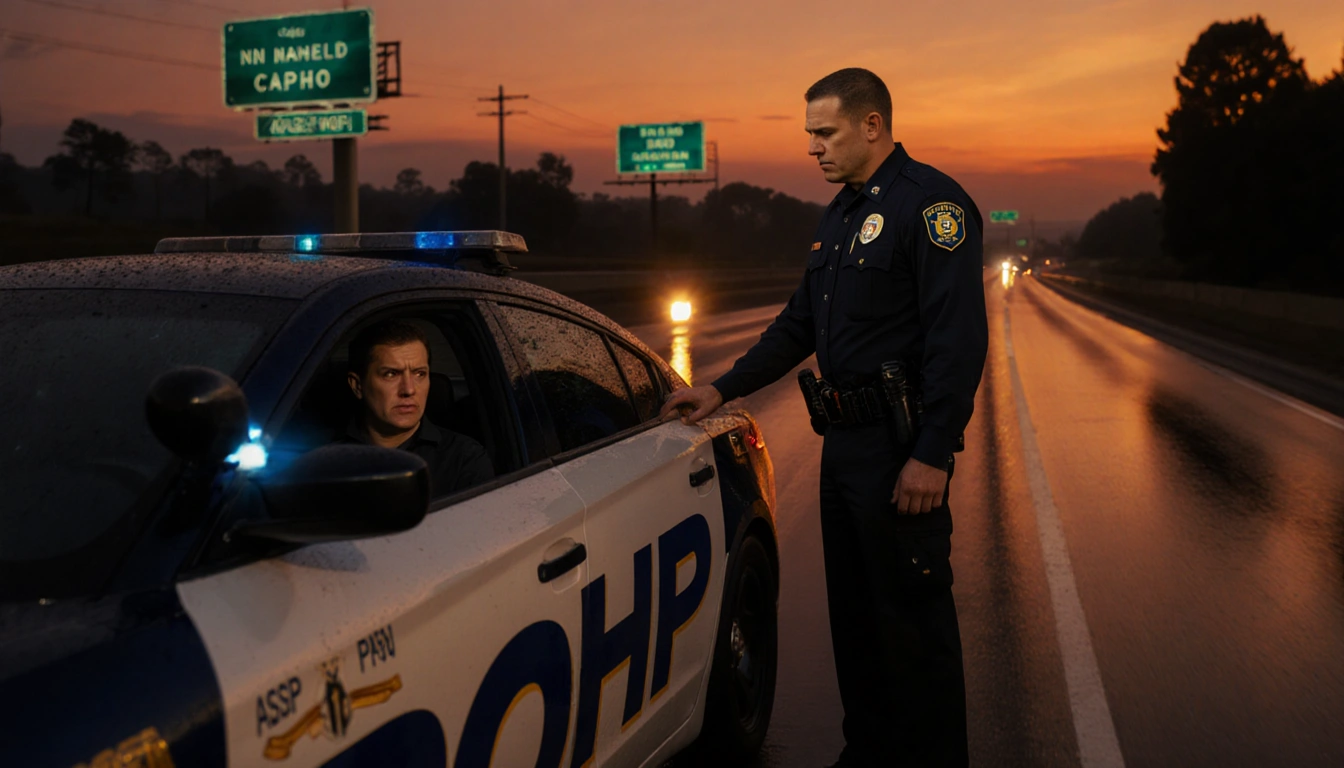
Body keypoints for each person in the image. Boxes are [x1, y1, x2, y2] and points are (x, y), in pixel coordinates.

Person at [660, 68, 987, 766]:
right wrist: (721, 389)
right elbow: (797, 324)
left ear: (872, 125)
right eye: (809, 133)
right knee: (858, 624)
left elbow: (958, 343)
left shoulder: (931, 206)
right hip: (843, 445)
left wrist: (932, 453)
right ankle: (867, 752)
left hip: (902, 451)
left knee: (914, 629)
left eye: (825, 132)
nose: (813, 147)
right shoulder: (839, 216)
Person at [342, 319, 494, 497]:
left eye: (419, 374)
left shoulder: (463, 459)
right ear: (357, 386)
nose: (409, 390)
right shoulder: (325, 461)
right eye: (391, 374)